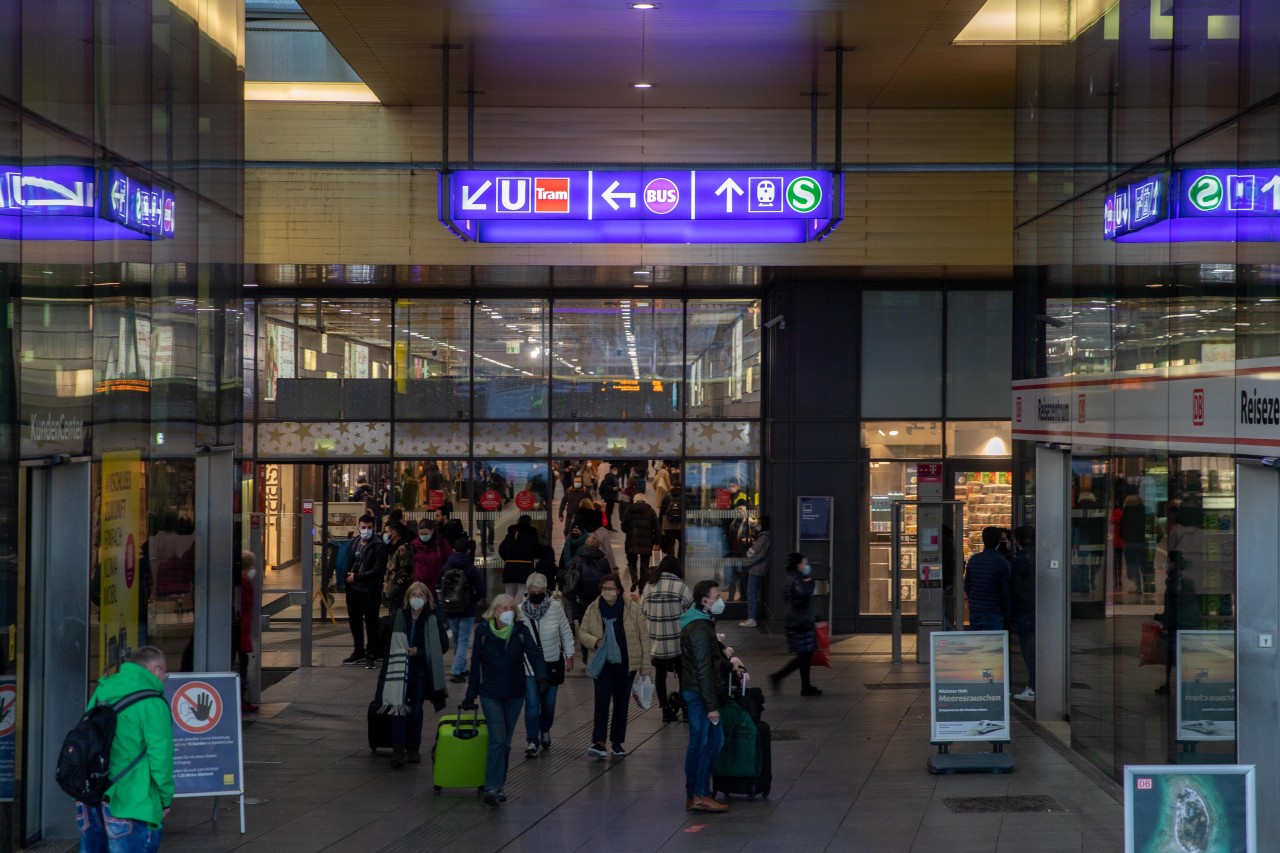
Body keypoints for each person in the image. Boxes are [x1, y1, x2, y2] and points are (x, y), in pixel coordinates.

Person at [76, 646, 173, 853]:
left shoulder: (104, 689)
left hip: (92, 796)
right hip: (131, 801)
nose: (164, 678)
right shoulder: (153, 702)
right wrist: (165, 798)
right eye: (164, 672)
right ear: (154, 670)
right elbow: (160, 756)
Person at [461, 594, 547, 807]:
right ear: (494, 611)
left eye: (510, 608)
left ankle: (499, 785)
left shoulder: (520, 631)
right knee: (498, 739)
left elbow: (534, 655)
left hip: (514, 693)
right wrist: (470, 695)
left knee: (505, 742)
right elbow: (476, 666)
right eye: (502, 608)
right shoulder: (483, 632)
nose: (506, 612)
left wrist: (542, 677)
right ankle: (491, 786)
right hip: (490, 693)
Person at [577, 573, 651, 759]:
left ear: (618, 590)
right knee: (601, 703)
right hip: (603, 665)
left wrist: (645, 669)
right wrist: (595, 641)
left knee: (621, 704)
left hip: (626, 665)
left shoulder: (632, 609)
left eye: (611, 588)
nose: (607, 592)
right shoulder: (594, 608)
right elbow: (582, 632)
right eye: (604, 588)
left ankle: (617, 743)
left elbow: (644, 638)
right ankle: (599, 743)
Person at [376, 582, 449, 768]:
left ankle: (413, 747)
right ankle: (398, 749)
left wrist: (421, 652)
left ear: (427, 599)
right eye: (414, 595)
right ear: (408, 598)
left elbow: (443, 645)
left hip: (421, 671)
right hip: (400, 670)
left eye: (421, 595)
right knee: (399, 708)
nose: (417, 598)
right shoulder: (400, 617)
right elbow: (388, 646)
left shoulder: (431, 619)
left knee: (416, 710)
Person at [679, 580, 731, 813]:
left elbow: (710, 659)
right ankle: (698, 793)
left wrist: (729, 666)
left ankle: (696, 793)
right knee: (707, 741)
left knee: (702, 741)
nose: (720, 600)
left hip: (698, 691)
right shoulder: (699, 628)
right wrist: (711, 705)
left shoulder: (701, 622)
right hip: (700, 693)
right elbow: (702, 668)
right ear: (705, 601)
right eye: (717, 596)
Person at [519, 574, 574, 757]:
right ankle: (532, 741)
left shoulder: (555, 607)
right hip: (529, 666)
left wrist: (570, 653)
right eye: (533, 592)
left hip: (551, 662)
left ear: (545, 591)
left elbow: (565, 630)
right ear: (528, 592)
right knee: (532, 704)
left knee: (549, 704)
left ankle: (545, 729)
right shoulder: (520, 611)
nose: (536, 594)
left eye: (539, 592)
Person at [641, 549, 693, 723]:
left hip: (657, 642)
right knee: (683, 675)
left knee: (660, 676)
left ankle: (665, 710)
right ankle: (686, 709)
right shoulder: (681, 587)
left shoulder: (649, 587)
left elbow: (642, 610)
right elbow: (691, 611)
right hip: (678, 641)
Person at [770, 552, 823, 696]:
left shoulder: (792, 578)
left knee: (805, 656)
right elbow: (803, 594)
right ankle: (779, 677)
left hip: (797, 622)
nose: (807, 566)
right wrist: (811, 583)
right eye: (805, 563)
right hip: (800, 623)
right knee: (803, 656)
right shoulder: (797, 579)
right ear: (799, 565)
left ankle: (805, 686)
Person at [440, 540, 486, 684]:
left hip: (450, 610)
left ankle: (460, 667)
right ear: (468, 551)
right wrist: (472, 600)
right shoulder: (471, 569)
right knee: (463, 642)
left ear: (453, 550)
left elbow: (438, 585)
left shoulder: (446, 567)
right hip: (467, 611)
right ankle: (456, 671)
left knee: (457, 640)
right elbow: (481, 590)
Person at [344, 514, 387, 666]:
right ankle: (358, 651)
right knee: (355, 622)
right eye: (363, 527)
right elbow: (349, 563)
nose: (366, 530)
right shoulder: (354, 542)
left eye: (369, 527)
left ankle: (371, 653)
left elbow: (378, 570)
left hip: (370, 591)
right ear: (358, 527)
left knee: (371, 623)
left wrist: (357, 577)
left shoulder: (379, 545)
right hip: (354, 591)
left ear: (374, 528)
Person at [964, 526, 1011, 631]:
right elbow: (1005, 591)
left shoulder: (974, 559)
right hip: (993, 610)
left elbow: (967, 585)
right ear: (999, 542)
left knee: (977, 642)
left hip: (976, 610)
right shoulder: (1002, 562)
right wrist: (1006, 614)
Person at [1010, 526, 1036, 701]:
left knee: (1028, 650)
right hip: (1036, 610)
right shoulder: (1038, 556)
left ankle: (1033, 686)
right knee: (1033, 649)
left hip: (1025, 612)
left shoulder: (1020, 561)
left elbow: (1015, 589)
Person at [622, 493, 660, 594]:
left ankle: (634, 580)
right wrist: (656, 541)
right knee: (644, 566)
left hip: (632, 541)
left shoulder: (629, 509)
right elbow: (657, 527)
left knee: (631, 562)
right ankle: (642, 588)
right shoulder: (650, 510)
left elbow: (623, 527)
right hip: (646, 542)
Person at [235, 551, 259, 712]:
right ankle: (240, 700)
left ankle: (240, 699)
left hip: (241, 630)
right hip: (240, 631)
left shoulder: (241, 582)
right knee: (242, 665)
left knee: (242, 663)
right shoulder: (243, 583)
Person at [498, 514, 541, 600]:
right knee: (522, 594)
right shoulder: (531, 537)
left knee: (509, 594)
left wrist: (508, 559)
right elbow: (538, 551)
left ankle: (508, 611)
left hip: (510, 568)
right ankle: (519, 612)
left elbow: (501, 550)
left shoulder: (510, 535)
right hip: (525, 568)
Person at [740, 515, 771, 628]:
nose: (757, 524)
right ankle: (752, 617)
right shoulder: (763, 537)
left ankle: (751, 618)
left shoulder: (763, 538)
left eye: (759, 522)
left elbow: (755, 554)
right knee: (752, 593)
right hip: (757, 568)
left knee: (751, 594)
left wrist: (746, 562)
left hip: (756, 569)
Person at [411, 518, 453, 592]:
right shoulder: (414, 545)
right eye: (421, 534)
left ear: (432, 530)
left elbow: (449, 560)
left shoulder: (440, 543)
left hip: (436, 584)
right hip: (419, 586)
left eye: (426, 534)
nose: (423, 536)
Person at [381, 521, 416, 611]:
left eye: (386, 532)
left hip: (400, 595)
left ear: (394, 533)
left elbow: (406, 573)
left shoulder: (403, 548)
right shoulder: (392, 548)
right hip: (393, 595)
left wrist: (394, 590)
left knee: (399, 621)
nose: (384, 534)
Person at [1121, 489, 1148, 593]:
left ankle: (1136, 586)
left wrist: (1126, 537)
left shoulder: (1125, 512)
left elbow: (1122, 529)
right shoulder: (1145, 511)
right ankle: (1147, 584)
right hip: (1142, 542)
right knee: (1143, 564)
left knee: (1132, 564)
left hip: (1129, 542)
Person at [659, 481, 684, 558]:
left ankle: (671, 559)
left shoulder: (666, 497)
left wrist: (660, 526)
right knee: (682, 543)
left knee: (670, 543)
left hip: (668, 525)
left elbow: (661, 513)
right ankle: (680, 561)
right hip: (681, 525)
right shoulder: (684, 497)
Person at [599, 465, 620, 530]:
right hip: (608, 497)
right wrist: (612, 488)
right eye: (615, 469)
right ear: (611, 469)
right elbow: (605, 485)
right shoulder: (609, 477)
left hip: (611, 497)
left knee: (609, 512)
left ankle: (609, 526)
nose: (616, 471)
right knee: (608, 512)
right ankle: (607, 526)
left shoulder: (613, 477)